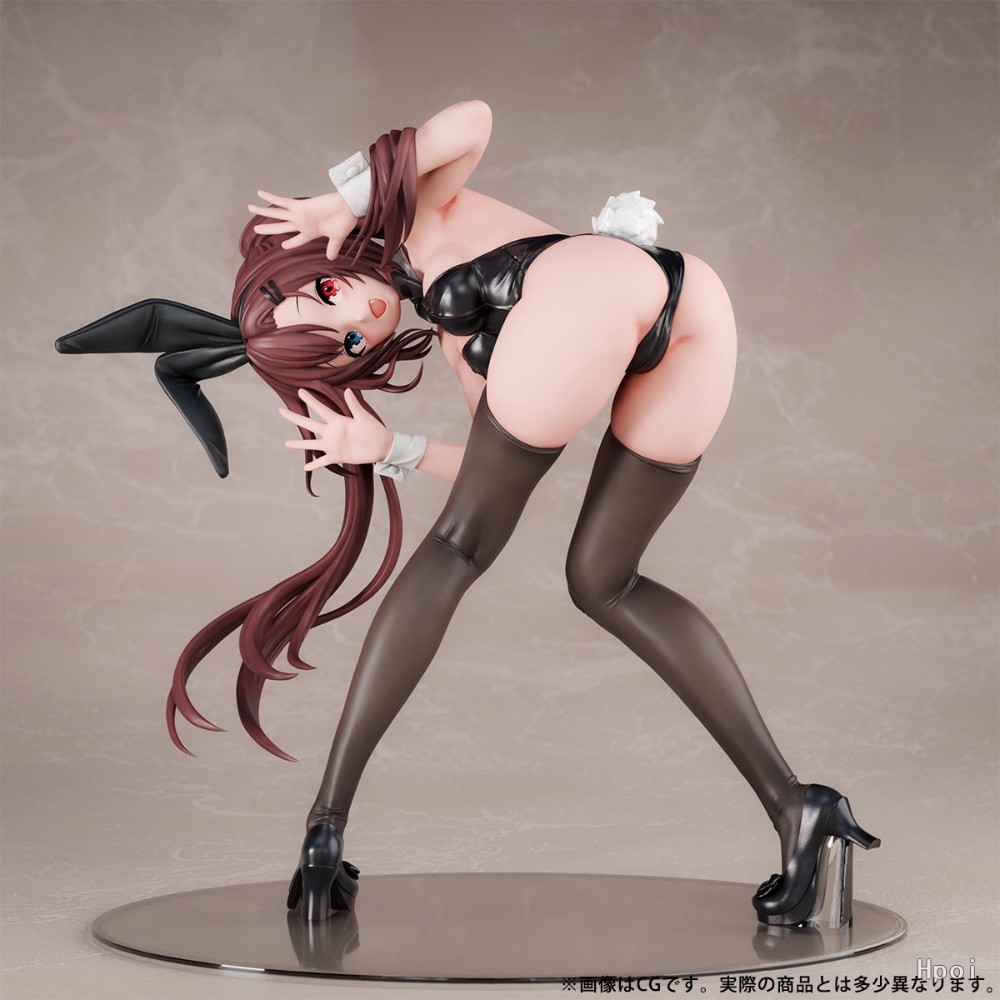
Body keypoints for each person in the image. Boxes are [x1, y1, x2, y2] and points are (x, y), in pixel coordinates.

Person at [56, 100, 878, 928]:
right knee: (602, 579)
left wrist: (342, 198)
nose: (364, 318)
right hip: (686, 302)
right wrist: (392, 449)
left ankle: (325, 826)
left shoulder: (412, 211)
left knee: (455, 548)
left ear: (317, 261)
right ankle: (797, 805)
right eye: (350, 344)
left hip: (597, 294)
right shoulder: (462, 332)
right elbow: (491, 459)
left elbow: (472, 120)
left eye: (330, 294)